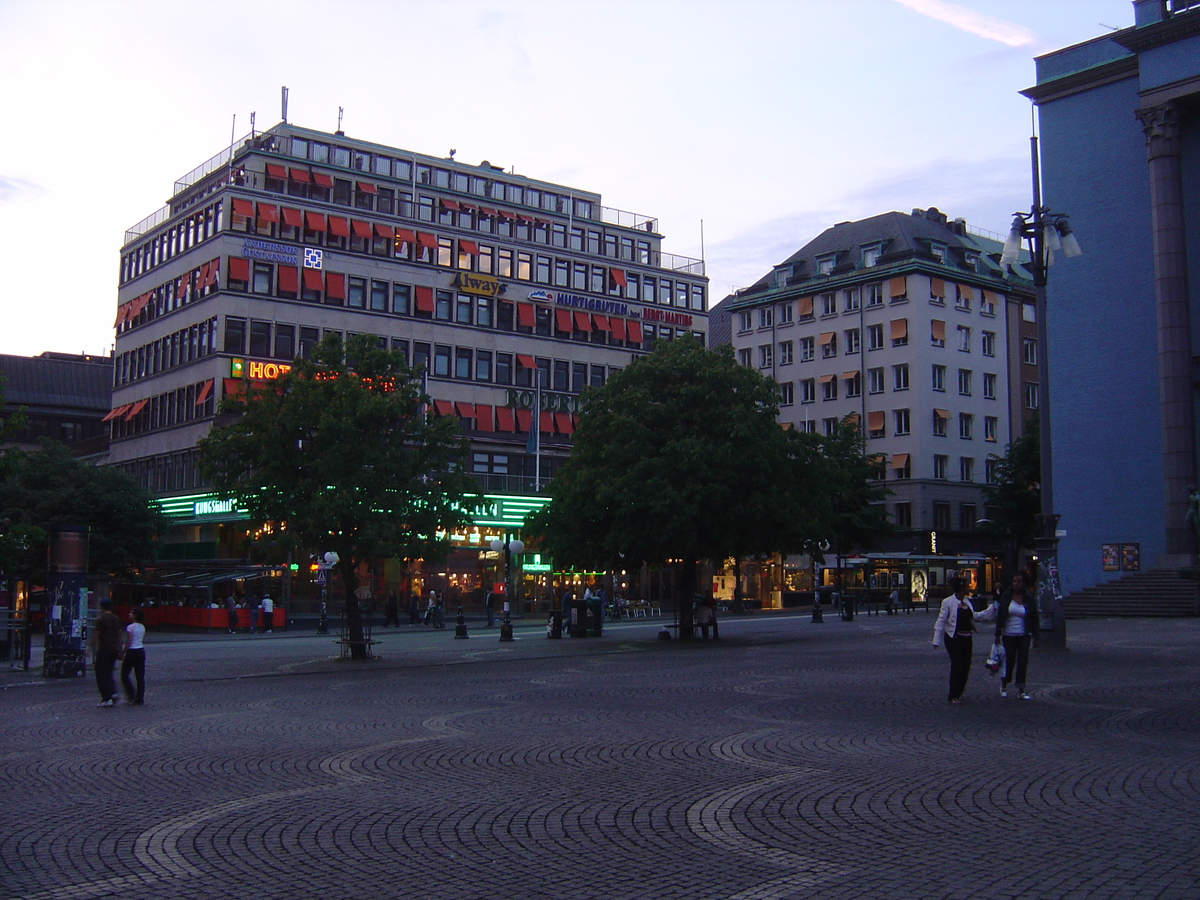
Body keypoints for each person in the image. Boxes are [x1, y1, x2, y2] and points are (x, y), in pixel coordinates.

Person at [977, 571, 1039, 699]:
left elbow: (1034, 617)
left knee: (1022, 660)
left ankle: (1021, 689)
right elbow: (1000, 615)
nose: (1016, 584)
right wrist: (998, 633)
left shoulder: (1028, 598)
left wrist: (1036, 635)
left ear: (1024, 583)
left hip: (1024, 633)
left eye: (1019, 581)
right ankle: (1004, 684)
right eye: (1014, 581)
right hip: (1008, 634)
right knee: (1008, 660)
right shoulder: (1007, 596)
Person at [931, 576, 976, 704]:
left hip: (967, 637)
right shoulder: (948, 602)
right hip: (953, 637)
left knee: (966, 665)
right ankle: (953, 694)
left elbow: (974, 616)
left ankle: (960, 691)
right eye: (967, 586)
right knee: (957, 664)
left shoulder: (967, 601)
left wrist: (990, 612)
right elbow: (941, 620)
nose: (969, 588)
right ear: (961, 588)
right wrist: (936, 639)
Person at [89, 598, 124, 707]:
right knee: (109, 671)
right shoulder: (117, 619)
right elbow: (119, 636)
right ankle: (113, 692)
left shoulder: (100, 620)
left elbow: (96, 635)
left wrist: (90, 647)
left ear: (102, 607)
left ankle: (106, 698)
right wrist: (120, 649)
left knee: (101, 673)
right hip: (114, 649)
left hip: (104, 649)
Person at [120, 607, 147, 705]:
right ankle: (140, 698)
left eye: (131, 613)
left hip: (132, 651)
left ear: (135, 615)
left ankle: (131, 694)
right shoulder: (142, 627)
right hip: (140, 650)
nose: (129, 614)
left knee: (124, 674)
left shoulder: (130, 627)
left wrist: (123, 651)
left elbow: (129, 641)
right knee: (140, 677)